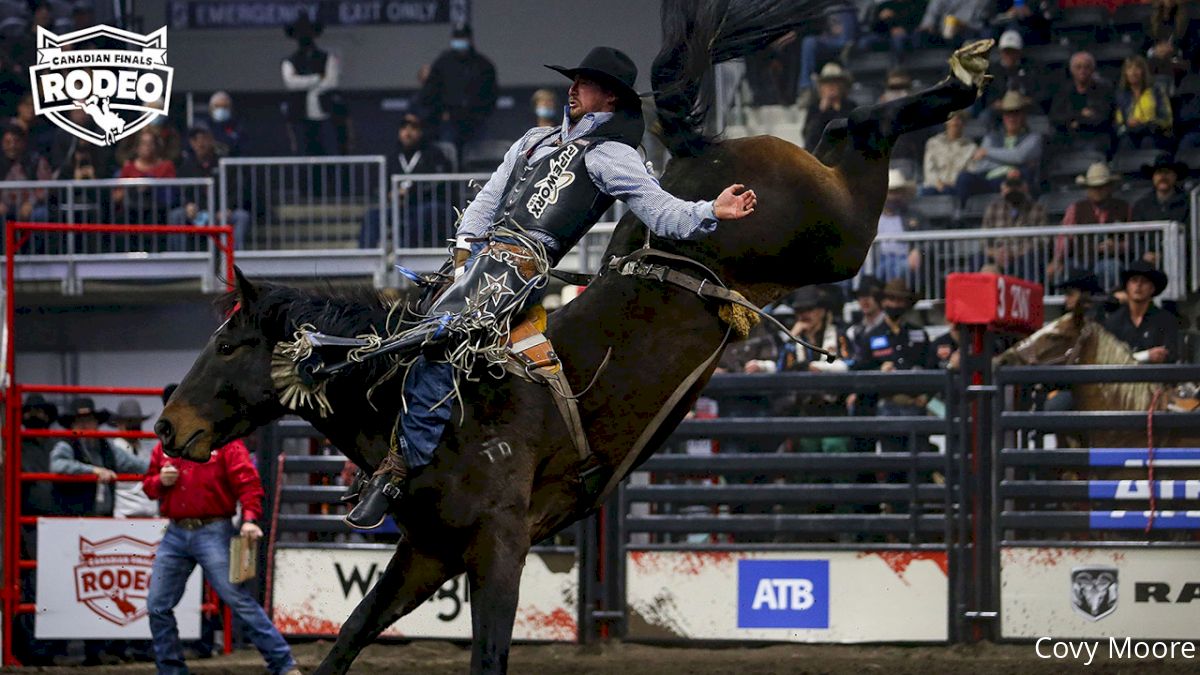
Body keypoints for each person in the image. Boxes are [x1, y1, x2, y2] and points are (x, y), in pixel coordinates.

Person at [344, 46, 760, 528]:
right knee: (399, 331)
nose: (572, 88)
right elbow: (486, 202)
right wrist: (462, 257)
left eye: (583, 83)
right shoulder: (534, 140)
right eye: (575, 81)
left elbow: (662, 211)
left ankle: (394, 475)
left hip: (519, 270)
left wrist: (711, 210)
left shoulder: (613, 156)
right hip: (477, 262)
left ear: (609, 98)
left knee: (440, 342)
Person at [142, 426, 299, 675]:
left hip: (209, 529)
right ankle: (171, 670)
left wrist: (249, 518)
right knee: (158, 604)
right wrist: (159, 481)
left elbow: (247, 483)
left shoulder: (224, 443)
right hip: (180, 530)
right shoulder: (170, 446)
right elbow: (149, 487)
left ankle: (283, 664)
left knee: (236, 599)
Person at [856, 278, 933, 453]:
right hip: (887, 404)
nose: (895, 304)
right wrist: (879, 371)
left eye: (900, 300)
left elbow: (931, 366)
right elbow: (860, 370)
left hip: (915, 403)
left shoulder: (919, 334)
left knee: (919, 460)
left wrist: (926, 396)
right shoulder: (871, 336)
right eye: (891, 299)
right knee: (893, 460)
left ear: (906, 304)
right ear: (883, 302)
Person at [359, 113, 454, 248]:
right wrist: (389, 193)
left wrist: (411, 192)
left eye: (413, 128)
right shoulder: (394, 157)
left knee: (423, 213)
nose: (407, 132)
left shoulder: (434, 154)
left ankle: (404, 254)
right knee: (372, 216)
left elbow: (439, 182)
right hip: (402, 207)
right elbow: (383, 184)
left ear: (421, 131)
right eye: (404, 128)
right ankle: (367, 259)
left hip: (428, 204)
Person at [49, 397, 149, 517]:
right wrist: (93, 470)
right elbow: (57, 465)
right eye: (79, 421)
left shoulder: (107, 447)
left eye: (89, 420)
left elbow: (135, 464)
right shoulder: (66, 444)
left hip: (104, 516)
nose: (85, 425)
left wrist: (162, 467)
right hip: (74, 517)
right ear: (72, 425)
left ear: (96, 423)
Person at [416, 23, 498, 163]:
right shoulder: (442, 63)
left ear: (470, 39)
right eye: (457, 37)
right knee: (448, 159)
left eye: (463, 37)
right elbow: (430, 93)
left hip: (476, 123)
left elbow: (492, 94)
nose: (460, 41)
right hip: (449, 122)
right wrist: (440, 113)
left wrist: (481, 114)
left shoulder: (483, 65)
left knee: (478, 161)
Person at [170, 126, 251, 250]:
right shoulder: (185, 166)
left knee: (242, 216)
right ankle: (179, 260)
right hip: (197, 213)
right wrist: (187, 205)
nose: (200, 143)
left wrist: (229, 208)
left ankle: (233, 260)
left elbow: (237, 190)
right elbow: (179, 191)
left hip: (221, 212)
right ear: (191, 143)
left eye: (204, 139)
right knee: (176, 215)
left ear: (212, 140)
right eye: (196, 139)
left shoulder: (224, 163)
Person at [1048, 163, 1132, 282]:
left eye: (1101, 186)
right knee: (1066, 270)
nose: (1097, 190)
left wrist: (1117, 247)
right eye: (1093, 187)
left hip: (1111, 259)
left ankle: (1109, 300)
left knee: (1110, 268)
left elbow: (1133, 240)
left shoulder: (1124, 208)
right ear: (1087, 188)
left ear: (1109, 187)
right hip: (1081, 259)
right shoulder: (1075, 209)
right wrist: (1057, 260)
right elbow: (1065, 237)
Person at [955, 91, 1043, 204]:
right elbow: (980, 165)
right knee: (964, 177)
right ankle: (960, 215)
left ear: (1023, 115)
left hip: (1013, 180)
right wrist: (1009, 161)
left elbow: (1019, 156)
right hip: (989, 178)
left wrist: (987, 153)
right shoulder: (991, 137)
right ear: (1003, 116)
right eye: (1007, 114)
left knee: (1015, 179)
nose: (1011, 118)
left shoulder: (1034, 138)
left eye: (1015, 113)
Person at [281, 15, 341, 155]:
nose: (304, 37)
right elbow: (291, 83)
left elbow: (331, 82)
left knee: (328, 153)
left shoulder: (327, 57)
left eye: (307, 32)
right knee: (303, 155)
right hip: (299, 116)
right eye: (300, 33)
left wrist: (304, 82)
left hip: (324, 115)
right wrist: (316, 78)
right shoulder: (289, 61)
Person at [1103, 261, 1179, 363]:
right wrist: (1147, 355)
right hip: (1122, 377)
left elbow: (1171, 355)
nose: (1138, 285)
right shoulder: (1113, 321)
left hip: (1155, 376)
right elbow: (1108, 359)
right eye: (1134, 281)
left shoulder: (1166, 320)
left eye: (1144, 281)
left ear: (1152, 288)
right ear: (1127, 287)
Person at [981, 173, 1046, 279]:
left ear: (1025, 187)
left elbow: (1043, 240)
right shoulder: (993, 208)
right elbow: (983, 239)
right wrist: (995, 253)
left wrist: (1015, 252)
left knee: (1030, 260)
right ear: (1003, 187)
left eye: (1017, 186)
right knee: (977, 259)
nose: (1013, 189)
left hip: (1023, 254)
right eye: (1009, 186)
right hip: (997, 253)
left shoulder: (1037, 208)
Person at [1048, 51, 1114, 155]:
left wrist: (1075, 122)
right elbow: (1055, 118)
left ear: (1092, 69)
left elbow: (1102, 119)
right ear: (1071, 70)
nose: (1082, 71)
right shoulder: (1064, 91)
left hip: (1094, 137)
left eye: (1086, 67)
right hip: (1068, 137)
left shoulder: (1103, 90)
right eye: (1078, 67)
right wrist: (1080, 115)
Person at [873, 169, 924, 282]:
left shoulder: (914, 215)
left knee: (899, 268)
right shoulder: (872, 217)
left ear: (902, 194)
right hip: (878, 259)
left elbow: (929, 239)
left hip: (904, 258)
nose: (893, 197)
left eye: (897, 192)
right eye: (890, 192)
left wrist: (917, 250)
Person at [978, 30, 1043, 119]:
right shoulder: (992, 70)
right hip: (1000, 107)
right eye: (1006, 52)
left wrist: (1029, 100)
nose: (1009, 55)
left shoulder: (1030, 68)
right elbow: (987, 93)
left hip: (1024, 107)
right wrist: (994, 103)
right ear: (1001, 52)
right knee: (985, 117)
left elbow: (1038, 90)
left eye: (1013, 52)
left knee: (1039, 116)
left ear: (1019, 52)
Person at [1114, 55, 1173, 152]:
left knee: (1147, 141)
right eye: (1129, 68)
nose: (1133, 72)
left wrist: (1145, 123)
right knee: (1125, 143)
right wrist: (1127, 124)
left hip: (1154, 133)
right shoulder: (1121, 95)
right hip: (1130, 133)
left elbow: (1166, 119)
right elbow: (1118, 122)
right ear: (1125, 73)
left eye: (1137, 68)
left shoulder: (1156, 91)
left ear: (1143, 71)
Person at [110, 400, 158, 519]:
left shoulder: (146, 448)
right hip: (124, 514)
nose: (134, 427)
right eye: (130, 422)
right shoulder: (114, 448)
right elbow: (147, 466)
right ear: (119, 424)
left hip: (151, 514)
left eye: (137, 422)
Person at [798, 5, 859, 95]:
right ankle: (806, 87)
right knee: (808, 41)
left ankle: (845, 46)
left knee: (845, 10)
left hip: (848, 38)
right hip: (828, 40)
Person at [1, 125, 52, 225]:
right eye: (7, 142)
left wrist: (31, 203)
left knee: (41, 214)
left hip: (31, 206)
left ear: (23, 143)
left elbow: (45, 187)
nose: (12, 146)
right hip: (4, 207)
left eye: (16, 141)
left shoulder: (35, 161)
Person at [802, 62, 856, 152]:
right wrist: (821, 111)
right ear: (821, 87)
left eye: (835, 82)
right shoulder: (814, 108)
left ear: (842, 86)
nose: (831, 86)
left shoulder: (850, 106)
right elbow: (808, 139)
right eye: (827, 83)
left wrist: (838, 110)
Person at [921, 110, 977, 195]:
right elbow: (929, 169)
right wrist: (938, 183)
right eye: (952, 118)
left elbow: (971, 171)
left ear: (963, 123)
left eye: (959, 119)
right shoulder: (933, 143)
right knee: (927, 192)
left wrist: (953, 184)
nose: (955, 122)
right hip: (934, 186)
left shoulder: (971, 147)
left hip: (956, 189)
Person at [1131, 155, 1189, 224]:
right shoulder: (1141, 206)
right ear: (1153, 177)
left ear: (1175, 176)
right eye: (1159, 172)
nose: (1163, 176)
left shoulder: (1188, 203)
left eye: (1167, 172)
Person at [859, 0, 925, 60]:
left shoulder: (916, 4)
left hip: (908, 35)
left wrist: (905, 29)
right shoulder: (885, 5)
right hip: (886, 35)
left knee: (898, 41)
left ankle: (898, 69)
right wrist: (880, 19)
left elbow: (918, 23)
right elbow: (874, 28)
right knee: (864, 42)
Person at [912, 0, 988, 49]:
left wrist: (962, 26)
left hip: (969, 33)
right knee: (918, 36)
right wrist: (928, 26)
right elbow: (930, 17)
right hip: (941, 33)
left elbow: (979, 22)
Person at [202, 91, 244, 157]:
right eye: (217, 106)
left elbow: (242, 147)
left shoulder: (238, 127)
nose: (221, 109)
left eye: (225, 106)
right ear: (210, 108)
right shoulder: (203, 126)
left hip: (231, 162)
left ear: (231, 108)